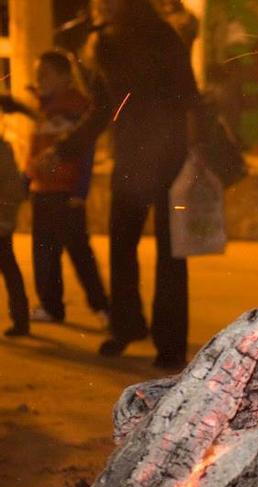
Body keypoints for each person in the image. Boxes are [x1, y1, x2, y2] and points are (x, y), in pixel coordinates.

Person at [47, 0, 205, 369]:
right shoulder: (159, 36)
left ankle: (130, 327)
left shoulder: (109, 42)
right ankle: (166, 343)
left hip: (143, 156)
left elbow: (102, 106)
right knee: (167, 253)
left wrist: (67, 146)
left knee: (128, 246)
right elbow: (189, 97)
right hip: (163, 154)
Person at [1, 51, 110, 328]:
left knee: (79, 253)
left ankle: (102, 307)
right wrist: (26, 182)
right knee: (43, 253)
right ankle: (51, 306)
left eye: (45, 74)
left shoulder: (77, 108)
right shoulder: (46, 110)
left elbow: (84, 150)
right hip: (42, 191)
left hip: (65, 192)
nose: (39, 80)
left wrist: (79, 192)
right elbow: (37, 153)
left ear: (65, 77)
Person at [0, 135, 29, 337]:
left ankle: (21, 321)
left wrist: (6, 219)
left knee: (8, 266)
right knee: (9, 267)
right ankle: (21, 321)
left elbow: (11, 187)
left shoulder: (2, 150)